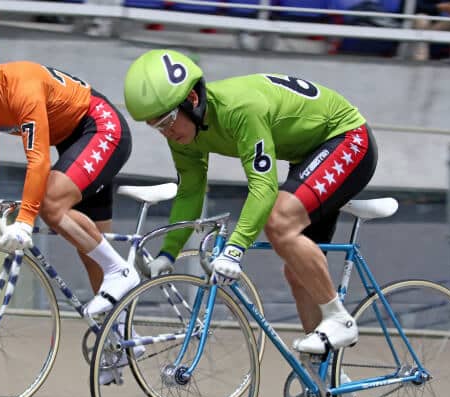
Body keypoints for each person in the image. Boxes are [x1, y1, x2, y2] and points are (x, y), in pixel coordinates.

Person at [123, 50, 378, 363]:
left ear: (192, 99)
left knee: (279, 222)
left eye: (167, 121)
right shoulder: (184, 131)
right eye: (156, 127)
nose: (167, 133)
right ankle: (322, 377)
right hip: (309, 155)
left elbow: (263, 187)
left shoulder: (240, 109)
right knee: (298, 272)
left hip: (347, 138)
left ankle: (340, 319)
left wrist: (235, 248)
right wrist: (168, 252)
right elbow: (190, 190)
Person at [0, 23, 140, 331]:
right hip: (73, 142)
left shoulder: (20, 86)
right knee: (91, 250)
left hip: (101, 126)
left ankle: (122, 272)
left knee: (50, 203)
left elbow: (38, 159)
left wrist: (25, 221)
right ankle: (121, 337)